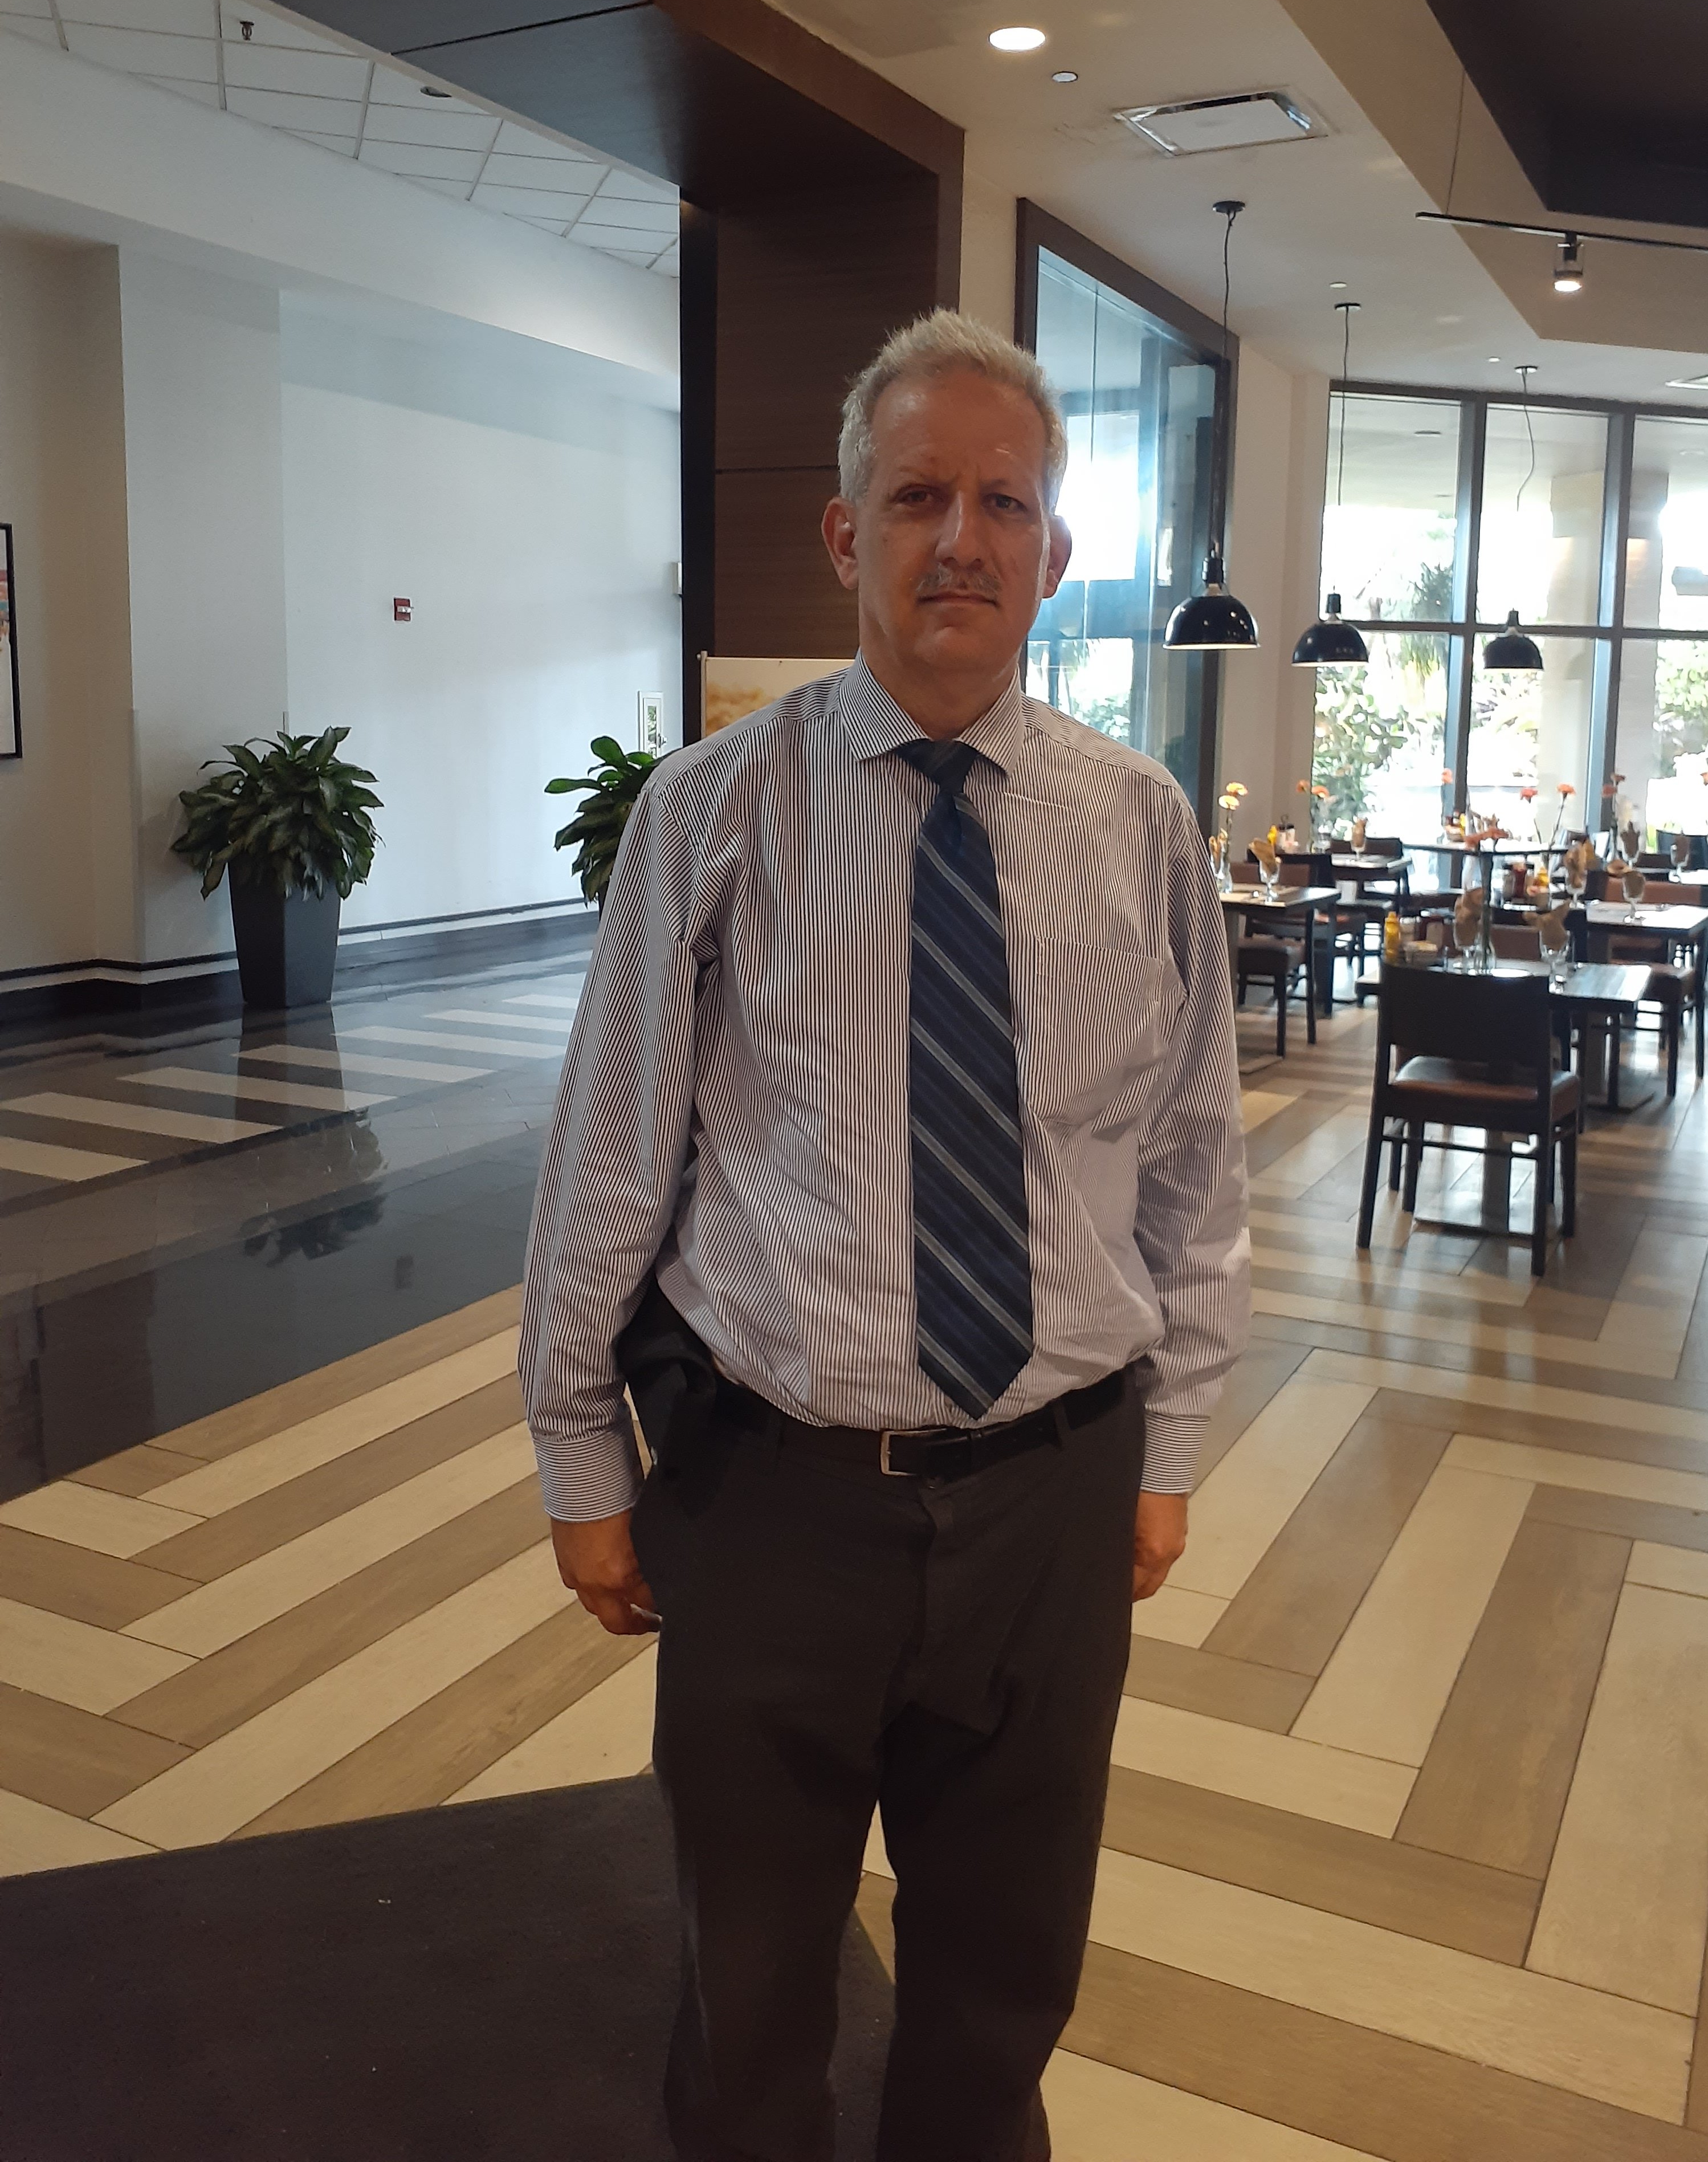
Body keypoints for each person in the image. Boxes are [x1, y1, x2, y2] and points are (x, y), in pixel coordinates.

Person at [520, 310, 1250, 2161]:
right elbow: (609, 1153)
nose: (963, 540)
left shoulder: (1141, 823)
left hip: (1054, 1499)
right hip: (775, 1497)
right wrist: (578, 1455)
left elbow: (1190, 1168)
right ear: (847, 534)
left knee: (1003, 1988)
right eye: (920, 496)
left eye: (1005, 503)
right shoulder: (711, 814)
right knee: (753, 1985)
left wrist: (1169, 1454)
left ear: (1056, 552)